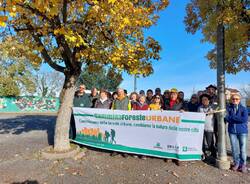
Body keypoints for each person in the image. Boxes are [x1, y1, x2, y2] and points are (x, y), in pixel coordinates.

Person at [225, 94, 248, 173]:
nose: (235, 100)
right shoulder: (228, 108)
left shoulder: (244, 109)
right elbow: (226, 118)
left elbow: (244, 119)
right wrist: (235, 118)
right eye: (233, 99)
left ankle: (243, 164)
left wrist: (232, 117)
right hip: (232, 132)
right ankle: (236, 163)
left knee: (243, 149)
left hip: (242, 131)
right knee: (234, 149)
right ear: (231, 100)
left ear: (239, 100)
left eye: (237, 99)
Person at [198, 94, 217, 160]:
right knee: (201, 143)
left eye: (205, 99)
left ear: (209, 100)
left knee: (210, 143)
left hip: (210, 128)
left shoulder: (213, 107)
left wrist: (213, 111)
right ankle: (203, 155)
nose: (204, 101)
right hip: (201, 128)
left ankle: (214, 156)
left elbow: (219, 108)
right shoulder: (199, 108)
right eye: (202, 100)